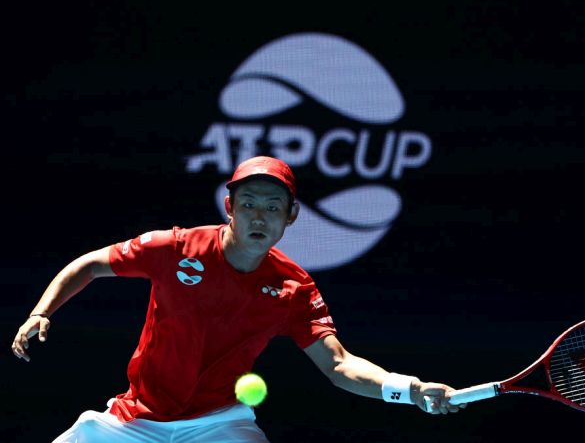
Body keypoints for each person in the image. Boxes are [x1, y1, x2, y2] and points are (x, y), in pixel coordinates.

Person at [12, 156, 465, 442]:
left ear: (291, 216)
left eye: (272, 207)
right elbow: (92, 263)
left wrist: (409, 389)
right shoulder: (175, 247)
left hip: (219, 424)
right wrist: (41, 311)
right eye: (249, 203)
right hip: (134, 419)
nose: (259, 216)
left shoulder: (293, 288)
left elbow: (339, 365)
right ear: (230, 207)